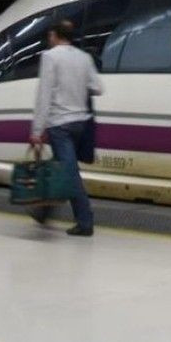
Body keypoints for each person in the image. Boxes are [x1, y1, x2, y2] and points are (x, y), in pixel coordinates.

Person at [29, 19, 103, 236]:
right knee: (62, 167)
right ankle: (43, 210)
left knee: (69, 173)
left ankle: (85, 222)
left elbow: (44, 95)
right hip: (81, 124)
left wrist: (36, 131)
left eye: (49, 36)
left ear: (54, 35)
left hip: (60, 125)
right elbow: (98, 88)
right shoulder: (84, 57)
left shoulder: (50, 57)